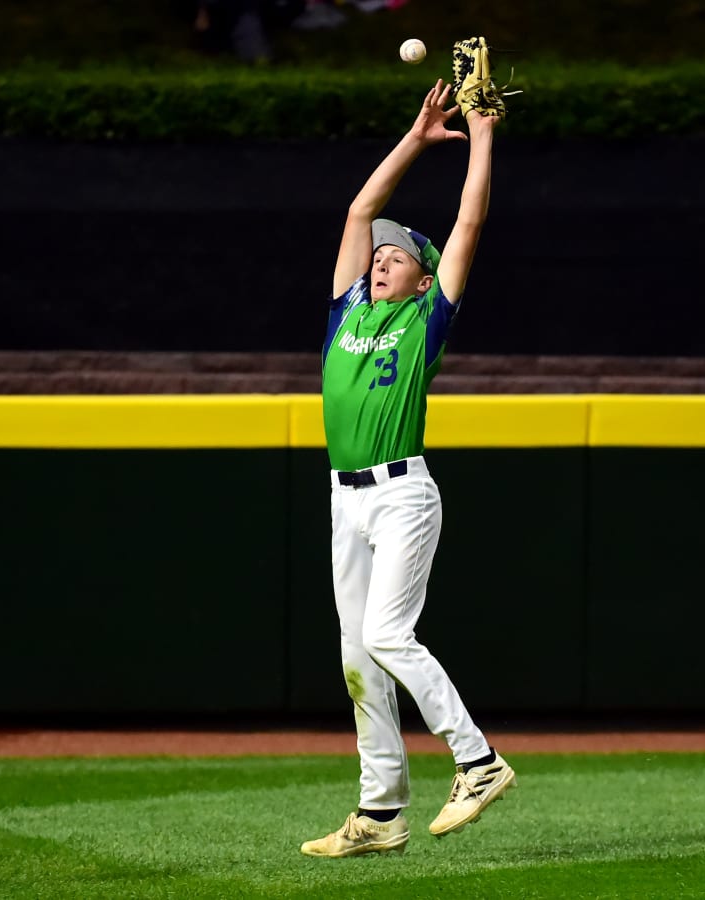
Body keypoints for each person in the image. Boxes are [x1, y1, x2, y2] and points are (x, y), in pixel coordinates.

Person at [300, 78, 516, 858]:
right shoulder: (347, 311)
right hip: (343, 502)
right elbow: (361, 211)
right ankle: (381, 809)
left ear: (422, 279)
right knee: (359, 656)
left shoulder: (424, 320)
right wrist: (416, 137)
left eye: (398, 257)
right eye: (379, 258)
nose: (383, 259)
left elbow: (467, 223)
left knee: (388, 633)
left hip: (401, 496)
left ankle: (478, 760)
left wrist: (482, 135)